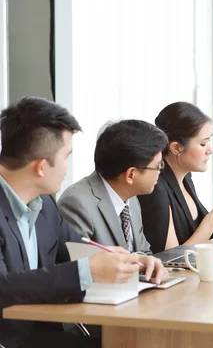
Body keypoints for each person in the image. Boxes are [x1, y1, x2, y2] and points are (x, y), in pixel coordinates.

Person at [0, 97, 167, 348]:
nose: (69, 167)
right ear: (41, 167)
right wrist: (87, 271)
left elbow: (77, 247)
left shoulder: (44, 205)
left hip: (37, 336)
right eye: (67, 156)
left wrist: (132, 261)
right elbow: (4, 288)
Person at [58, 120, 168, 254]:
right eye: (158, 166)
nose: (160, 172)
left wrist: (149, 264)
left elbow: (144, 252)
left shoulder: (131, 199)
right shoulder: (77, 203)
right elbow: (80, 266)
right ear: (131, 174)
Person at [137, 102, 213, 252]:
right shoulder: (156, 188)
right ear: (176, 148)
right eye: (203, 144)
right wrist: (212, 219)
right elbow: (169, 257)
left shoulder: (186, 177)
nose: (210, 150)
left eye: (209, 140)